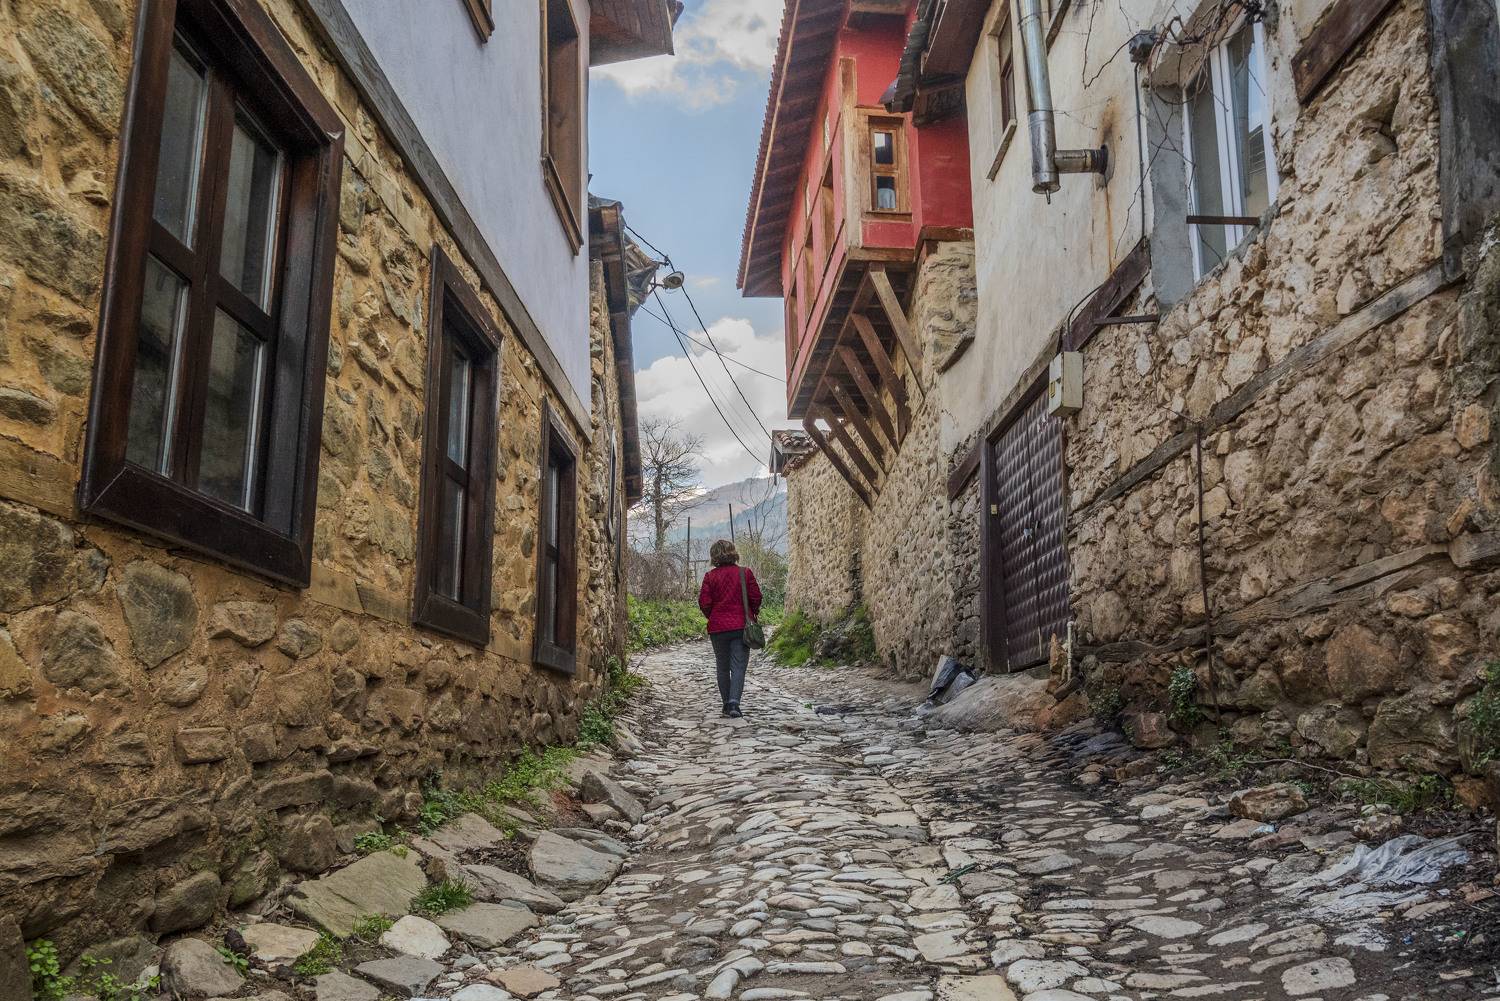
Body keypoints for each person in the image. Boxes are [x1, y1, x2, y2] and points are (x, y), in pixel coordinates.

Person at [697, 539, 762, 718]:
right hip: (741, 625)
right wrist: (751, 613)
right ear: (733, 553)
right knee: (738, 666)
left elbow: (704, 602)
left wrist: (713, 616)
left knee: (723, 667)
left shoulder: (710, 577)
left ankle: (726, 703)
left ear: (714, 556)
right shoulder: (745, 573)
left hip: (718, 628)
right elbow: (756, 597)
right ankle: (734, 703)